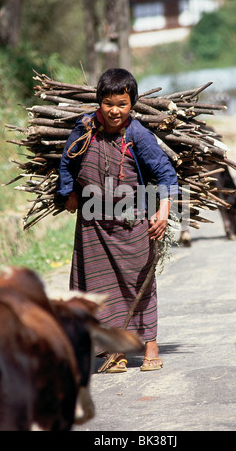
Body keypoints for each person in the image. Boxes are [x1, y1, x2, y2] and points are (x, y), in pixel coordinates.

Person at [58, 68, 179, 372]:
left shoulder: (137, 134)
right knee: (100, 286)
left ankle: (150, 345)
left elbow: (166, 173)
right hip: (93, 223)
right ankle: (115, 352)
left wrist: (162, 211)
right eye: (108, 103)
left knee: (139, 281)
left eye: (122, 104)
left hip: (132, 221)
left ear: (132, 105)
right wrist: (68, 192)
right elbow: (66, 161)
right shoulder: (85, 127)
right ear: (99, 101)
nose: (115, 111)